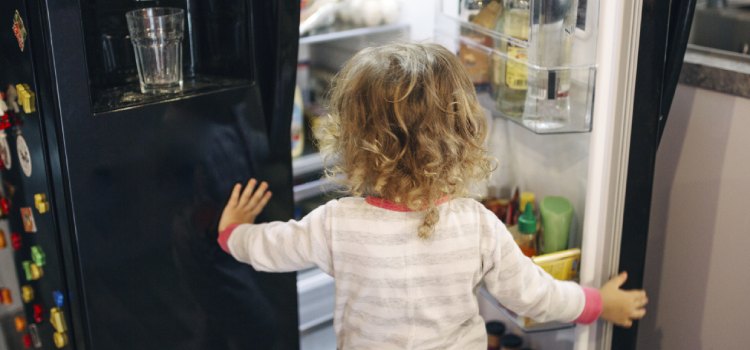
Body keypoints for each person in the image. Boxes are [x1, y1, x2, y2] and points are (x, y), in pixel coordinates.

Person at [217, 43, 647, 349]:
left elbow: (270, 248)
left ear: (355, 140)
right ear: (461, 136)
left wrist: (232, 233)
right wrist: (597, 303)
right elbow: (534, 295)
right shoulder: (476, 223)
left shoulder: (336, 223)